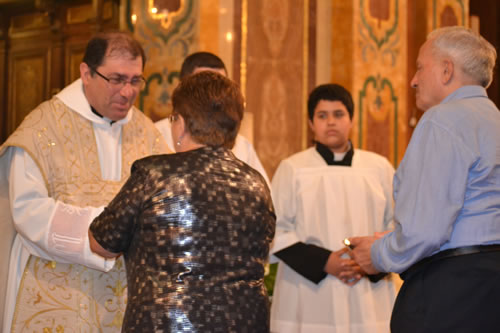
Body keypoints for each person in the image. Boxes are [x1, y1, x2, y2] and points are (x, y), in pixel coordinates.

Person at [0, 31, 169, 332]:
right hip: (56, 290)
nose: (128, 92)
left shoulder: (148, 134)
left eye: (135, 80)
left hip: (126, 299)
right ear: (86, 73)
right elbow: (27, 210)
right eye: (116, 79)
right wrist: (97, 235)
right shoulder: (41, 129)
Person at [88, 71, 276, 332]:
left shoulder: (153, 174)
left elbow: (102, 242)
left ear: (183, 124)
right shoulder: (256, 184)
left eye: (174, 117)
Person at [349, 26, 500, 332]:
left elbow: (425, 231)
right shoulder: (493, 119)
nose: (413, 80)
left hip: (450, 293)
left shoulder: (442, 120)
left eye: (420, 67)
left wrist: (376, 254)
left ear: (447, 70)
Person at [270, 83, 397, 332]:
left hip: (367, 291)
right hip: (309, 291)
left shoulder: (379, 168)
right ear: (311, 123)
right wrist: (325, 261)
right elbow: (276, 230)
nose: (331, 122)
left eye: (338, 114)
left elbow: (396, 226)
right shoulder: (293, 168)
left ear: (351, 120)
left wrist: (369, 260)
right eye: (322, 115)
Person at [155, 51, 270, 186]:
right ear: (183, 87)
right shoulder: (155, 134)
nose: (212, 95)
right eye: (203, 86)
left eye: (219, 86)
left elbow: (261, 191)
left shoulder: (242, 145)